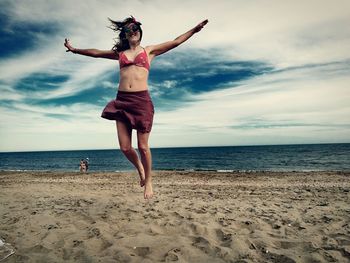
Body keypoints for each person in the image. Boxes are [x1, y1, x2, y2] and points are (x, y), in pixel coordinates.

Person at [64, 16, 208, 199]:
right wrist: (75, 50)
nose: (132, 31)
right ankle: (139, 167)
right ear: (125, 34)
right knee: (125, 148)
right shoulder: (120, 54)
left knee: (143, 147)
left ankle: (148, 181)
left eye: (135, 28)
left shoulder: (149, 51)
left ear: (140, 31)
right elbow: (96, 52)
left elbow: (176, 41)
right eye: (128, 30)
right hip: (122, 101)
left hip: (141, 102)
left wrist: (194, 30)